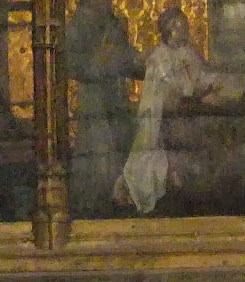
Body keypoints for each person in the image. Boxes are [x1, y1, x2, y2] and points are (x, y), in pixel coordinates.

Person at [116, 7, 219, 214]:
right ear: (170, 29)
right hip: (164, 117)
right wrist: (197, 90)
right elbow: (173, 90)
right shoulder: (160, 57)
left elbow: (200, 78)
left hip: (183, 113)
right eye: (181, 26)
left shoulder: (187, 52)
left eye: (186, 26)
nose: (186, 30)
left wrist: (208, 85)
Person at [64, 0, 142, 215]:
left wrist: (144, 63)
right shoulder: (78, 25)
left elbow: (126, 57)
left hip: (117, 98)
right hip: (94, 101)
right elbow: (70, 63)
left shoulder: (112, 23)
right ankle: (95, 203)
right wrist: (99, 62)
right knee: (98, 152)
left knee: (122, 145)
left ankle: (120, 200)